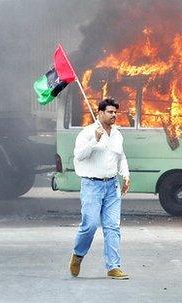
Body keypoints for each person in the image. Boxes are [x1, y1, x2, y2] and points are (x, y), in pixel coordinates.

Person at [69, 97, 131, 280]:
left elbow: (121, 156)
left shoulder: (117, 134)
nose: (114, 115)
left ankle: (113, 266)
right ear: (100, 113)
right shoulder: (87, 133)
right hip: (91, 185)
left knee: (112, 227)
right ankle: (78, 255)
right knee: (90, 225)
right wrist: (94, 141)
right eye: (110, 112)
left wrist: (125, 175)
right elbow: (79, 156)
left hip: (112, 185)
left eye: (115, 112)